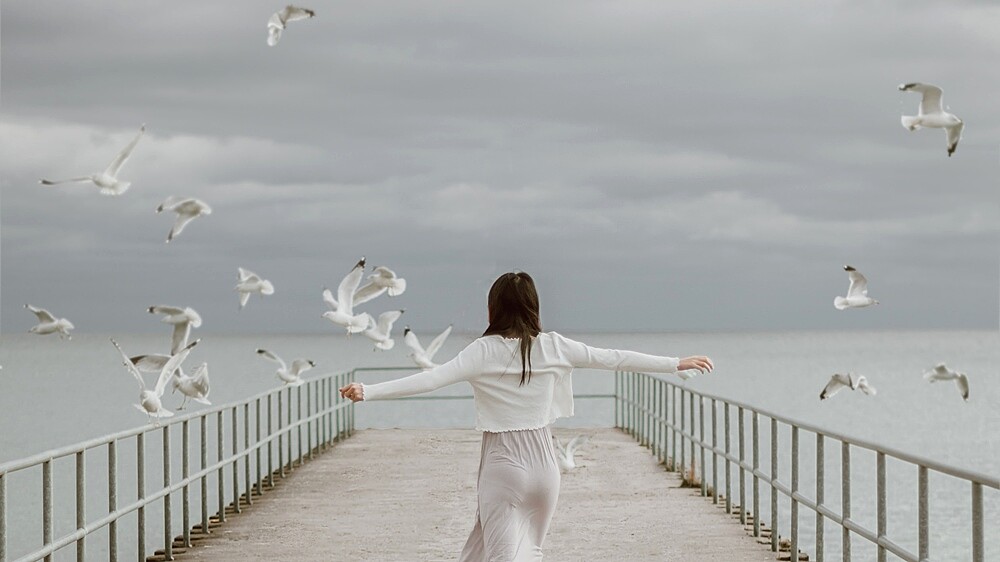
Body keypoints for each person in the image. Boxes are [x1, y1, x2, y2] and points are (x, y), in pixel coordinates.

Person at [339, 271, 713, 561]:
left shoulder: (481, 351)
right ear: (534, 308)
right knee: (527, 552)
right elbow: (613, 358)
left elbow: (430, 379)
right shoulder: (555, 346)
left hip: (504, 467)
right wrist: (674, 363)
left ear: (492, 310)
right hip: (546, 469)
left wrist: (369, 390)